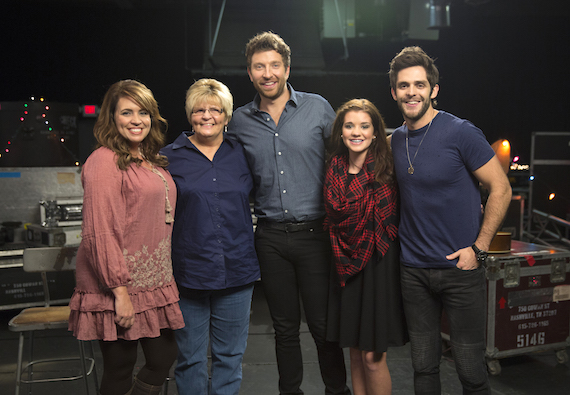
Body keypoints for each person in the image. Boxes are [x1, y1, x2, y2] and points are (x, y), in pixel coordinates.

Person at [227, 31, 351, 395]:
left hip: (315, 235)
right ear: (249, 73)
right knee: (283, 328)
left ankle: (337, 391)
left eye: (274, 65)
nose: (267, 73)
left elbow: (345, 161)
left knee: (323, 325)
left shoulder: (318, 108)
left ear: (287, 68)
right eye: (259, 66)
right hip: (269, 238)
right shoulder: (239, 121)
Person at [388, 47, 512, 394]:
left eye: (419, 85)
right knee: (423, 368)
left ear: (434, 89)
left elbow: (500, 188)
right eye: (403, 86)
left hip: (461, 271)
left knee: (471, 370)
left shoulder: (461, 132)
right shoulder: (395, 140)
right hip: (412, 271)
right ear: (394, 92)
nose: (411, 92)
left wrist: (480, 248)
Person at [68, 79, 185, 395]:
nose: (137, 120)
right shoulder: (104, 160)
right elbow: (99, 231)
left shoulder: (150, 159)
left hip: (152, 282)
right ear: (112, 117)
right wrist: (119, 293)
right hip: (118, 284)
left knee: (163, 356)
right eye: (127, 112)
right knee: (120, 367)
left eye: (143, 112)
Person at [161, 78, 260, 395]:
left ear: (227, 116)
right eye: (199, 110)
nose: (207, 116)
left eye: (215, 109)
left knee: (229, 358)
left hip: (237, 269)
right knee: (189, 360)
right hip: (188, 274)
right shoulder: (168, 158)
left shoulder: (243, 154)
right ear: (190, 115)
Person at [324, 99, 408, 395]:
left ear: (375, 132)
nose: (356, 132)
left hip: (378, 266)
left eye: (364, 126)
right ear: (341, 131)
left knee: (373, 358)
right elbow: (334, 218)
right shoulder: (334, 168)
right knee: (356, 353)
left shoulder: (388, 166)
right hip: (344, 268)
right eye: (349, 126)